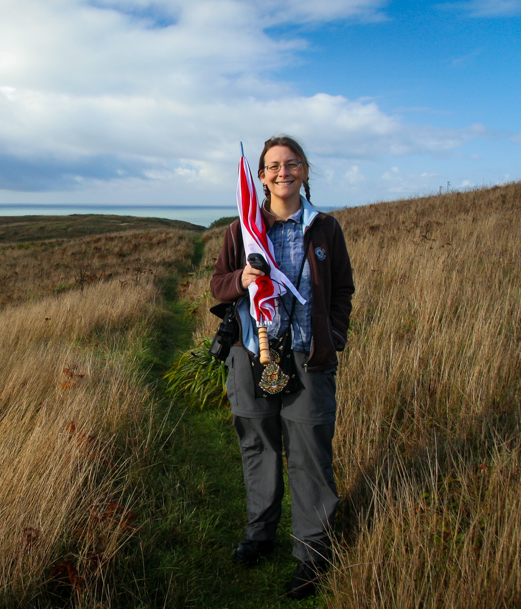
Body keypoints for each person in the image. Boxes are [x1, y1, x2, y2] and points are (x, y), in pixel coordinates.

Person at [210, 135, 355, 600]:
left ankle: (313, 552)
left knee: (310, 451)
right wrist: (241, 280)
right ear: (261, 175)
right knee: (260, 445)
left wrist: (333, 338)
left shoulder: (326, 228)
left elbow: (342, 291)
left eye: (291, 164)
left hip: (308, 358)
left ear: (305, 171)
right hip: (253, 353)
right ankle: (260, 534)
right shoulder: (242, 229)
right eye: (273, 166)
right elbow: (218, 286)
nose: (282, 173)